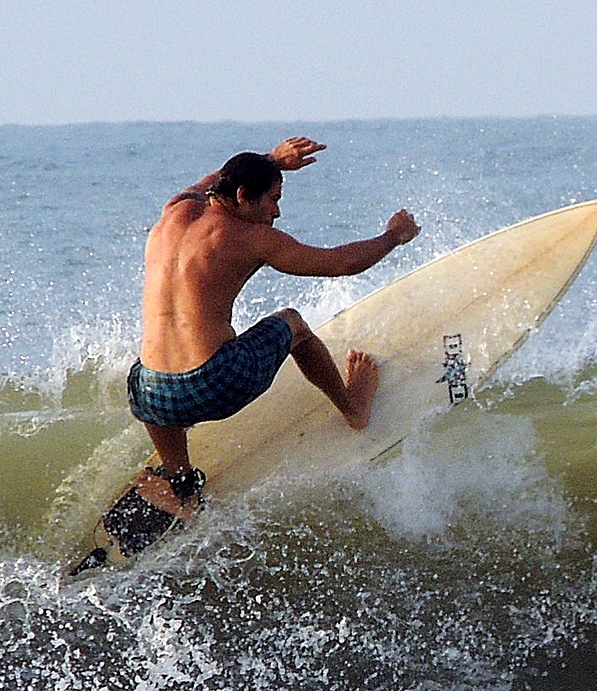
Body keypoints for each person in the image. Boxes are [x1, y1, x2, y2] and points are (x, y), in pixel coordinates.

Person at [126, 136, 420, 509]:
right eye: (274, 199)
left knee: (147, 369)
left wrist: (271, 159)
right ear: (245, 195)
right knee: (293, 323)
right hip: (215, 384)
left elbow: (208, 183)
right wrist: (393, 236)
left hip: (150, 397)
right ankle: (353, 408)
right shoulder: (253, 238)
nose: (276, 213)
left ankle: (181, 477)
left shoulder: (175, 209)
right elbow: (340, 263)